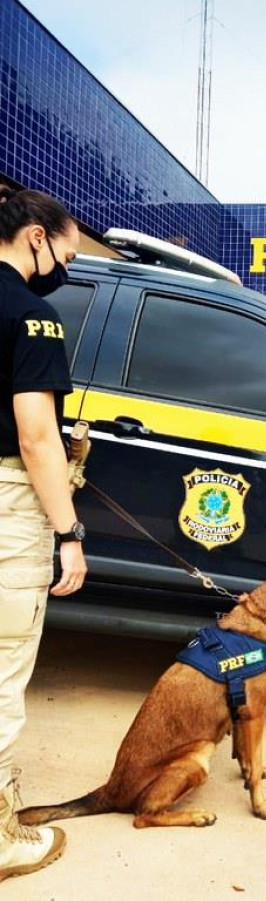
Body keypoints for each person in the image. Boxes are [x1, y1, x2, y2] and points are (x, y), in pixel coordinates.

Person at [0, 185, 87, 881]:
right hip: (6, 509)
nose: (66, 266)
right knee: (1, 669)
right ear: (36, 237)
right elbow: (35, 438)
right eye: (66, 251)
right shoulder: (32, 319)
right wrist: (68, 530)